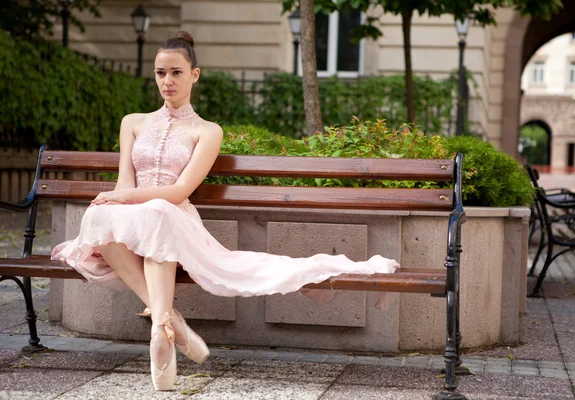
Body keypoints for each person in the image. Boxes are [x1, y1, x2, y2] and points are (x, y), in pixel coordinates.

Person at [51, 31, 400, 391]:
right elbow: (125, 181)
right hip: (138, 221)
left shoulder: (207, 130)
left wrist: (125, 199)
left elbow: (180, 191)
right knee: (97, 216)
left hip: (173, 218)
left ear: (194, 75)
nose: (167, 81)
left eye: (176, 72)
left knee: (156, 215)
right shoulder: (133, 122)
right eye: (160, 73)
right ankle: (168, 325)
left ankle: (162, 330)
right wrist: (117, 199)